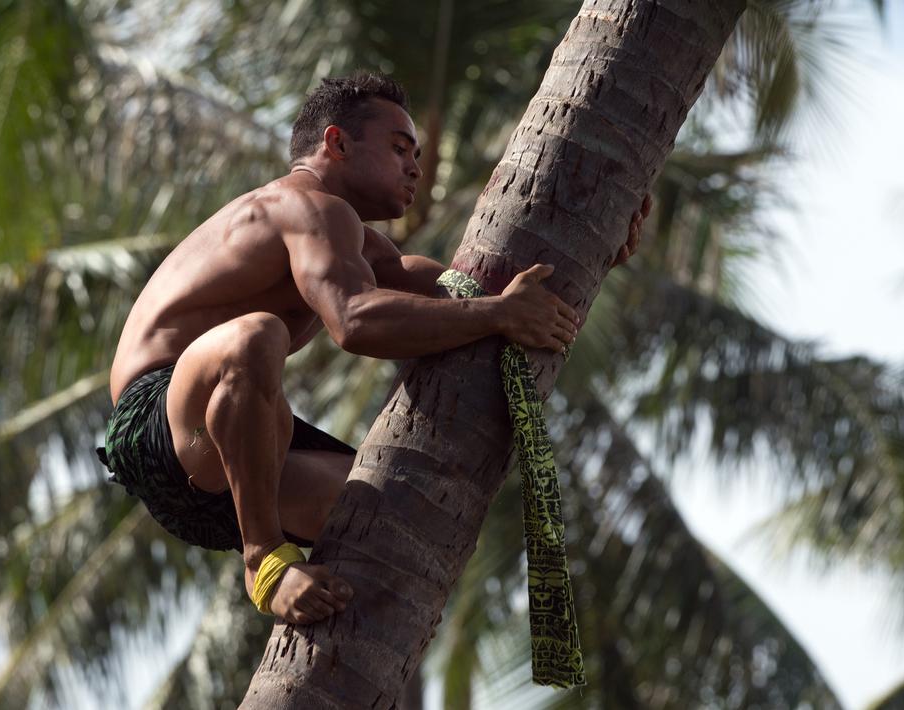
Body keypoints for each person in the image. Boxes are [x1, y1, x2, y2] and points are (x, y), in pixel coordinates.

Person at [97, 72, 650, 627]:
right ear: (336, 143)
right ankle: (263, 558)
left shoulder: (358, 242)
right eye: (399, 148)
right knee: (256, 334)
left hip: (231, 465)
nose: (415, 167)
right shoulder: (303, 208)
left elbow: (459, 293)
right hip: (163, 422)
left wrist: (592, 249)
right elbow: (355, 322)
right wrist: (499, 313)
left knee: (412, 514)